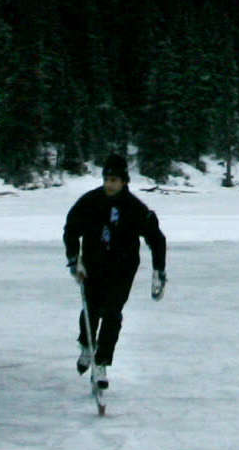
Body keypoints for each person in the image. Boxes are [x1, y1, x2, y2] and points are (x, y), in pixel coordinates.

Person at [61, 153, 165, 402]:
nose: (109, 184)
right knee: (91, 309)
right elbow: (71, 229)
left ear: (124, 181)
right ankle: (87, 345)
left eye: (114, 180)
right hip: (94, 266)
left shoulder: (135, 208)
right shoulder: (90, 201)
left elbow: (156, 239)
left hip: (122, 269)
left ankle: (102, 362)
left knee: (112, 313)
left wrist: (158, 271)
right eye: (107, 179)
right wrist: (74, 260)